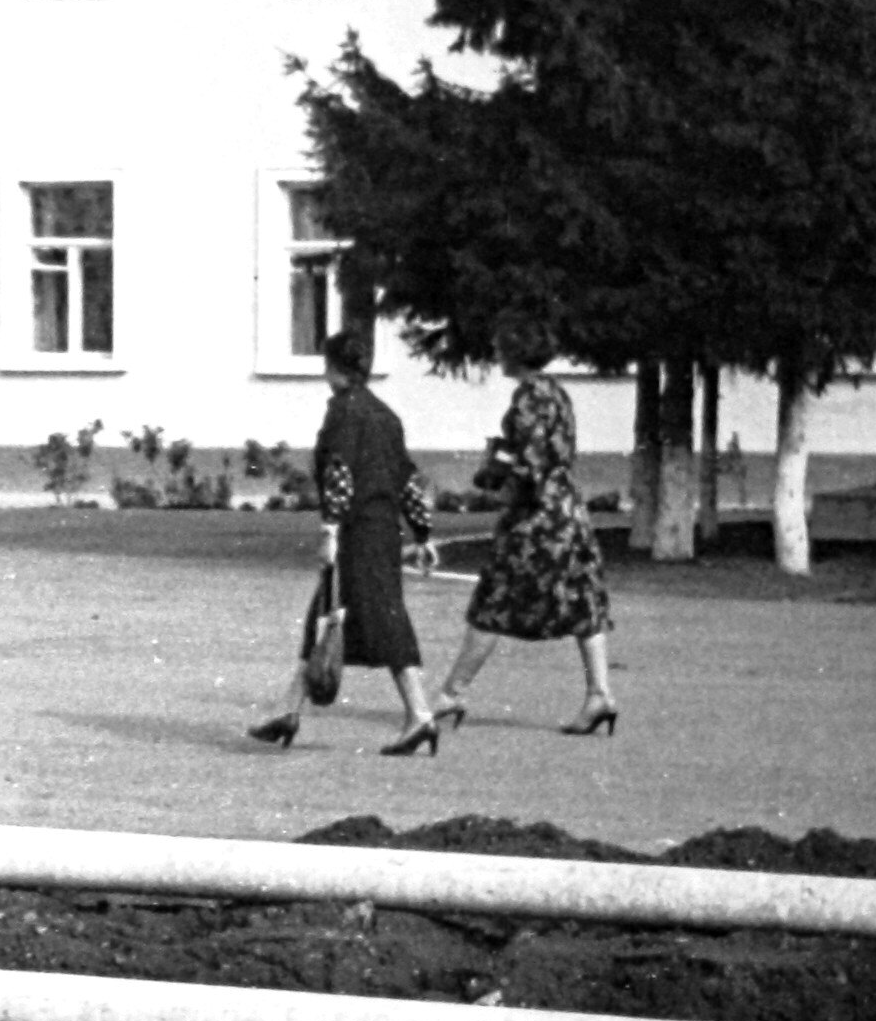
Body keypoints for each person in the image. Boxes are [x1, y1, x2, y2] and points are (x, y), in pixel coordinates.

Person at [422, 319, 618, 741]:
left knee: (492, 601)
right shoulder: (558, 393)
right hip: (569, 512)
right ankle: (600, 693)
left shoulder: (528, 397)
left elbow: (528, 464)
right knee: (583, 602)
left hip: (535, 518)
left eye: (500, 349)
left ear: (515, 353)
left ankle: (451, 694)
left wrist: (494, 476)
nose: (496, 355)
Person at [248, 327, 437, 750]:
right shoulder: (386, 416)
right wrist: (423, 533)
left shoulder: (343, 412)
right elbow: (407, 479)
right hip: (384, 533)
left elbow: (339, 474)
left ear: (333, 367)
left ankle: (420, 714)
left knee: (379, 620)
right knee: (331, 616)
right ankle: (288, 709)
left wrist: (330, 530)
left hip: (356, 534)